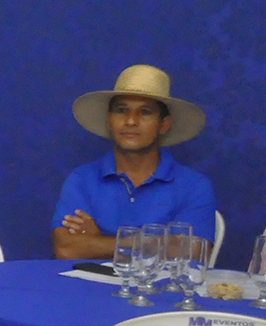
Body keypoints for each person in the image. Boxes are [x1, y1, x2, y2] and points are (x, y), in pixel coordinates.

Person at [51, 64, 216, 260]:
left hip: (163, 282)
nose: (131, 121)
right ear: (109, 121)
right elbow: (67, 249)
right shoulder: (82, 179)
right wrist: (158, 243)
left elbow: (193, 252)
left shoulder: (194, 185)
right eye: (122, 110)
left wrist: (99, 241)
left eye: (145, 112)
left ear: (164, 125)